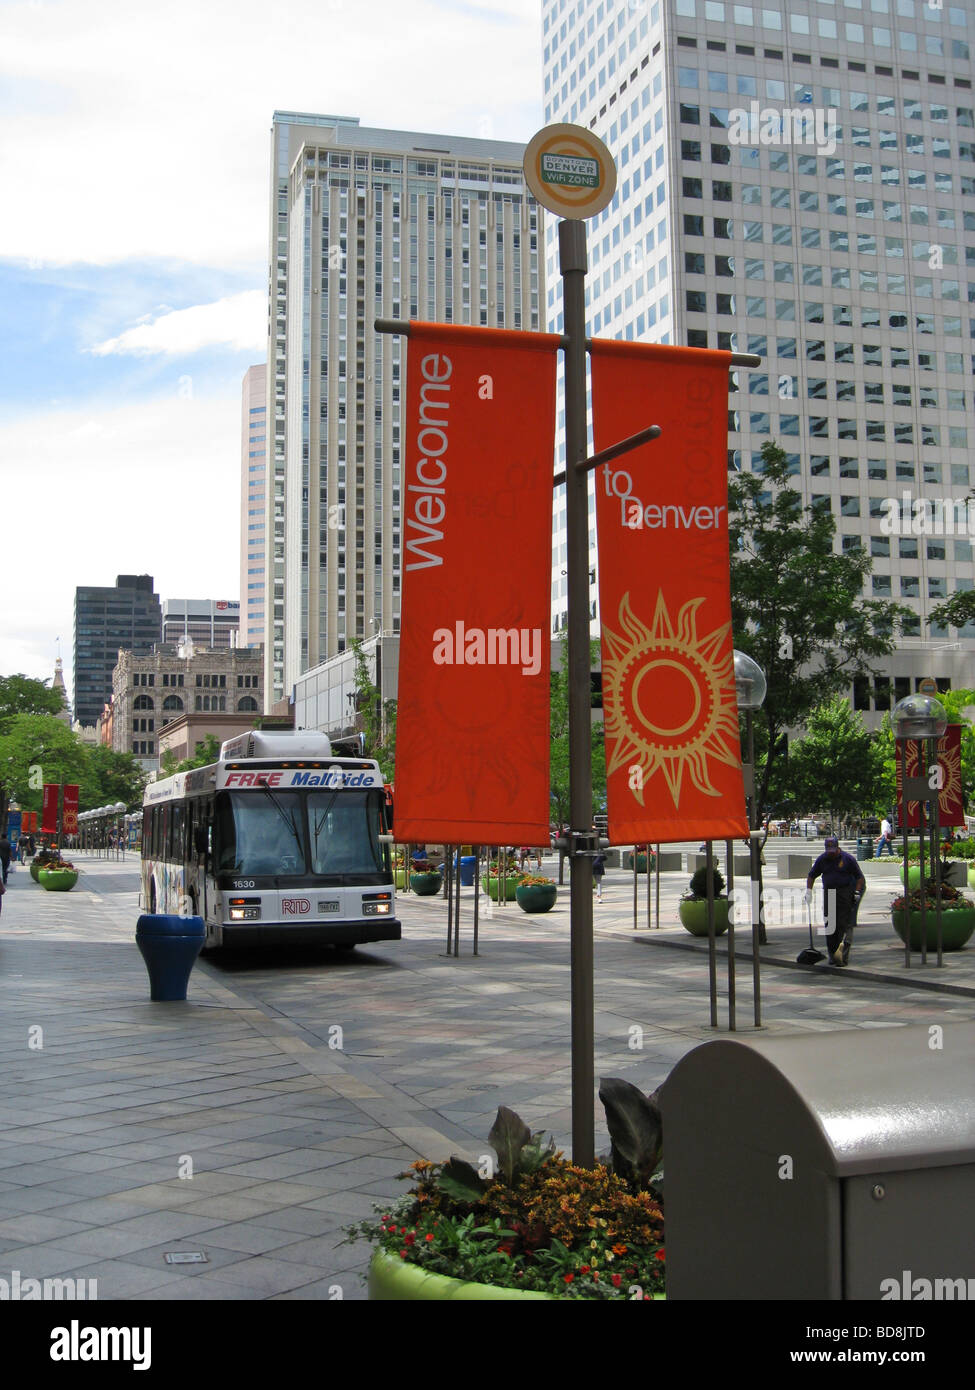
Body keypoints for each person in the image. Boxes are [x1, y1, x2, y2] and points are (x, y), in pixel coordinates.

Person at [805, 836, 865, 967]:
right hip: (829, 893)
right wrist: (808, 891)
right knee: (830, 925)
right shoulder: (822, 859)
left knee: (844, 925)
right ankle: (833, 955)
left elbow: (859, 877)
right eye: (828, 850)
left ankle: (842, 957)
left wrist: (856, 892)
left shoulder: (847, 859)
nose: (831, 853)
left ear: (838, 847)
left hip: (845, 893)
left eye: (833, 850)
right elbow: (811, 875)